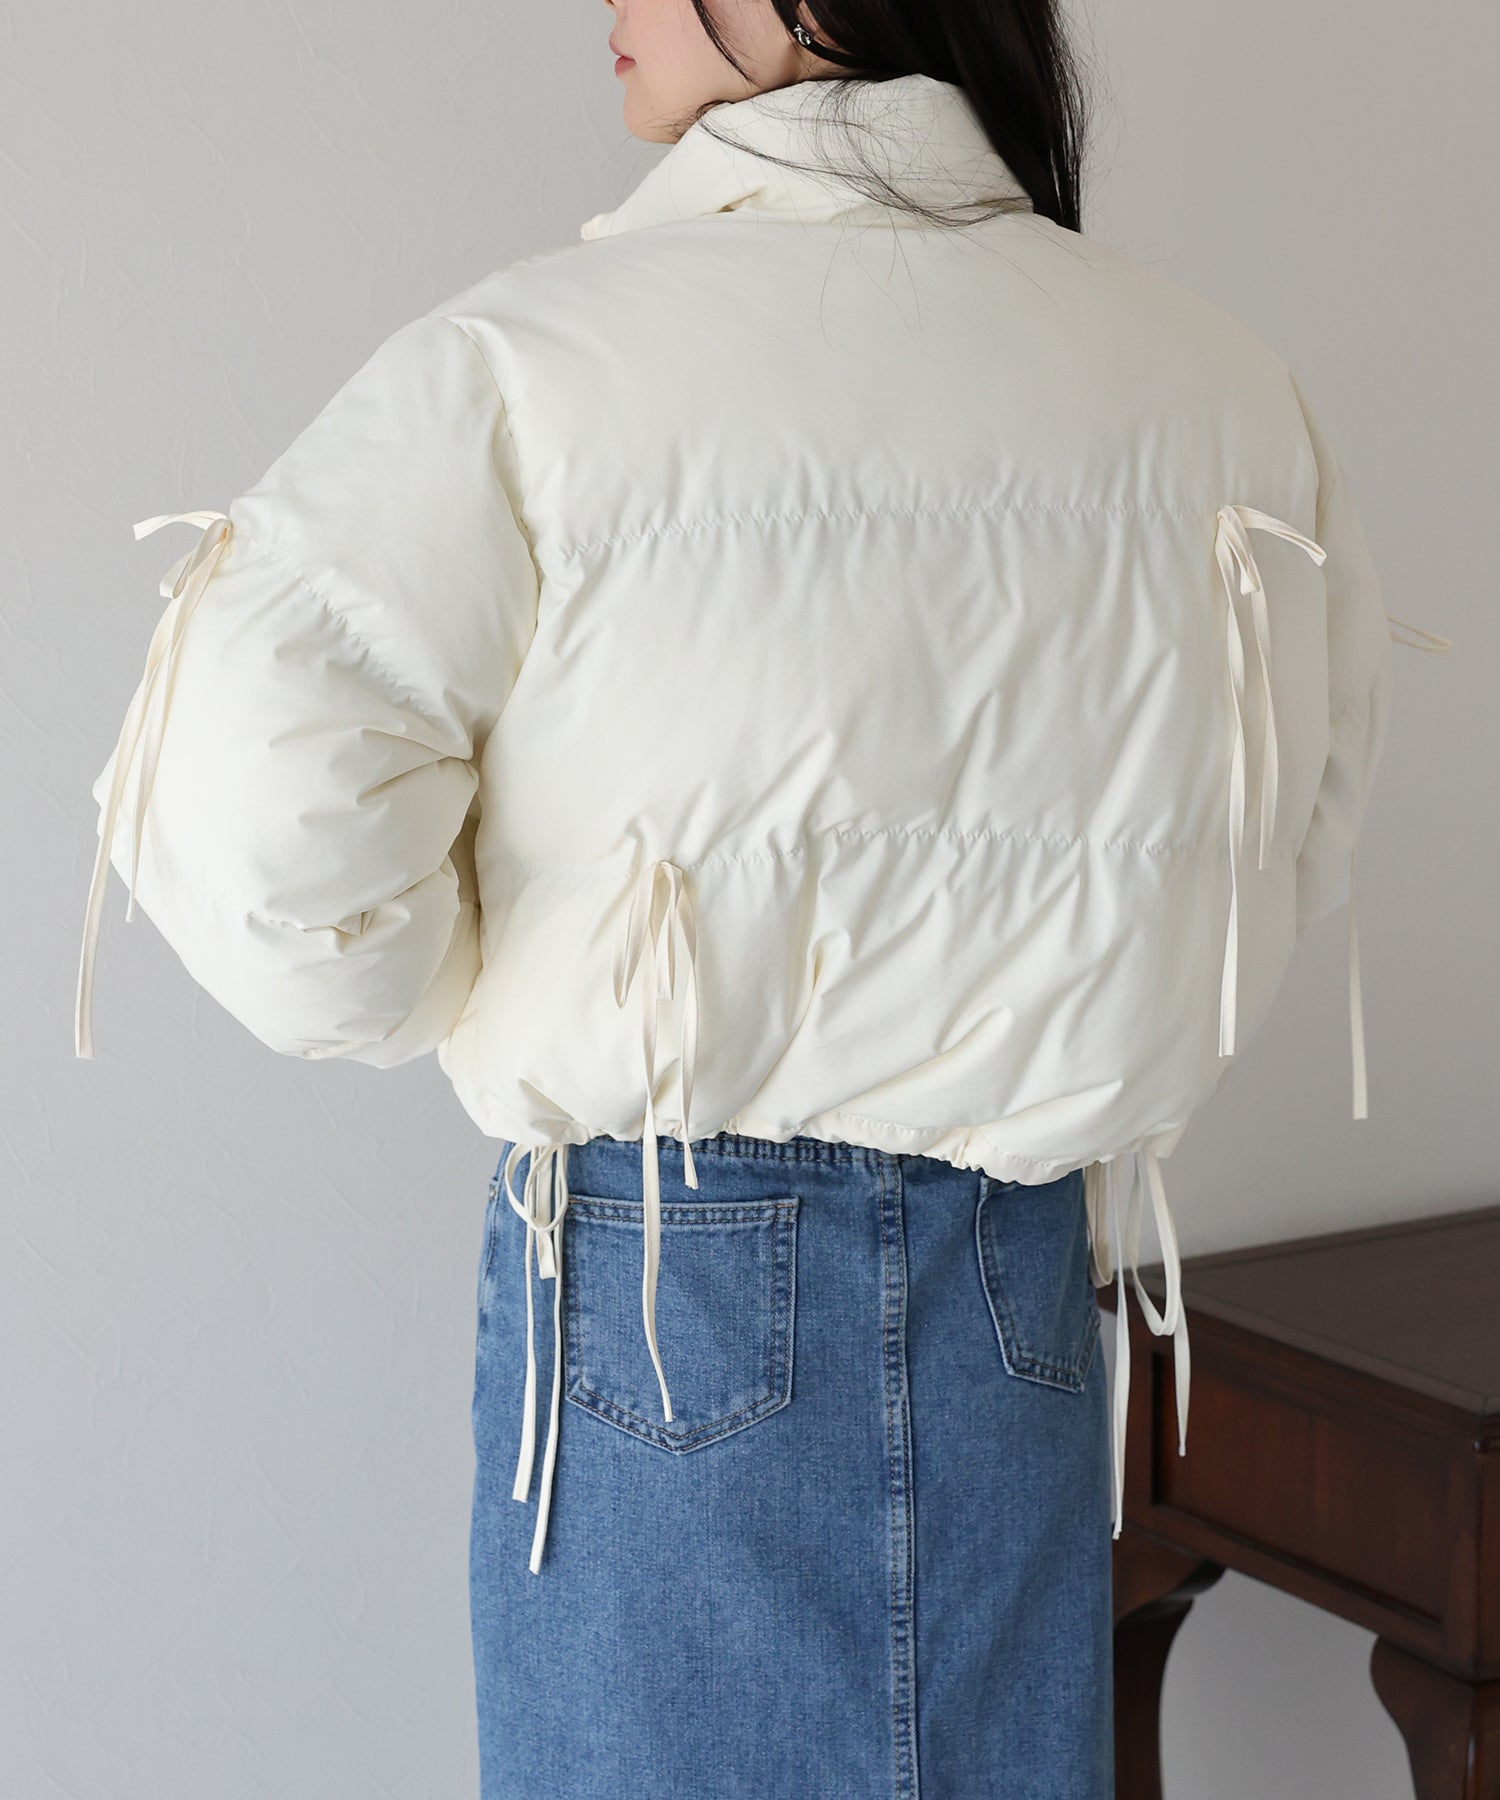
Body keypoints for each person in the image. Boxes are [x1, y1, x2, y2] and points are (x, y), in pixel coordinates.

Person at [73, 1, 1451, 1794]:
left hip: (666, 1278)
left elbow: (262, 785)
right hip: (1024, 1285)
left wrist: (442, 981)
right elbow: (1292, 826)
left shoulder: (529, 367)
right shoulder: (1219, 385)